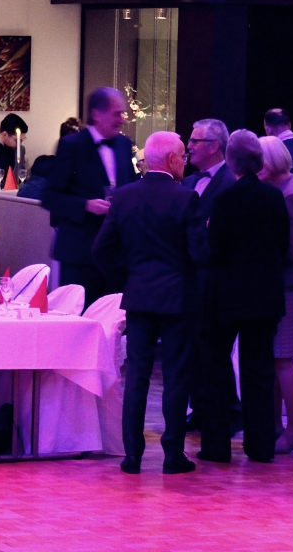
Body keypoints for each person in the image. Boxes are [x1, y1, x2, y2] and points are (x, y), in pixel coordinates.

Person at [92, 131, 203, 475]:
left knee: (137, 375)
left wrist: (127, 277)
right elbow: (200, 253)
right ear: (171, 159)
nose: (185, 162)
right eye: (183, 156)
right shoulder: (186, 198)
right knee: (176, 376)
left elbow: (101, 249)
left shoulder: (124, 196)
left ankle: (132, 455)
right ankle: (172, 454)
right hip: (177, 299)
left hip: (139, 296)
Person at [200, 130, 289, 464]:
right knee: (259, 370)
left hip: (226, 294)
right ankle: (261, 445)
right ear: (259, 161)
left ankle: (217, 446)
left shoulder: (225, 199)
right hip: (264, 294)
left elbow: (216, 250)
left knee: (216, 367)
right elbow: (283, 245)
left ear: (229, 161)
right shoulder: (274, 197)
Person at [43, 87, 139, 307]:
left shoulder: (124, 145)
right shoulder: (71, 146)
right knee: (80, 316)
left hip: (117, 254)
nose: (122, 120)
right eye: (117, 114)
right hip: (80, 252)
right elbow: (49, 196)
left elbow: (131, 187)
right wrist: (85, 205)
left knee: (115, 316)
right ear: (97, 114)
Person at [182, 119, 237, 434]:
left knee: (212, 348)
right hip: (188, 276)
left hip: (215, 277)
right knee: (193, 345)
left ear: (214, 146)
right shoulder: (189, 182)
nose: (188, 146)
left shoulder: (230, 182)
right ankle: (200, 408)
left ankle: (226, 411)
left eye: (195, 141)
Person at [257, 136, 293, 455]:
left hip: (286, 285)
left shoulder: (289, 193)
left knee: (283, 359)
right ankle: (277, 426)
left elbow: (290, 248)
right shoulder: (286, 187)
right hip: (282, 284)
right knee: (275, 358)